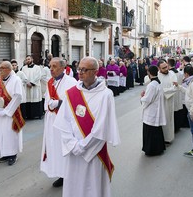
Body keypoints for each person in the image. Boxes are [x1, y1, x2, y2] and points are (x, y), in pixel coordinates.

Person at [53, 56, 120, 197]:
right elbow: (63, 123)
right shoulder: (71, 93)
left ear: (95, 71)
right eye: (79, 69)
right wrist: (72, 145)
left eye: (84, 69)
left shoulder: (105, 95)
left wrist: (82, 147)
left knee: (92, 188)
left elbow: (102, 127)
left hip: (93, 153)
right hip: (73, 152)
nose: (80, 72)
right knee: (74, 186)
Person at [40, 58, 77, 187]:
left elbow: (75, 103)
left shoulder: (71, 82)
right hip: (51, 120)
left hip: (65, 122)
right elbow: (47, 99)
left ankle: (70, 174)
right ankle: (61, 173)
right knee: (54, 147)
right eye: (50, 66)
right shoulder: (50, 82)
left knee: (65, 148)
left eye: (54, 66)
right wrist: (48, 106)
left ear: (63, 67)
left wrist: (59, 103)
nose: (51, 69)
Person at [0, 61, 25, 165]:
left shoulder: (16, 80)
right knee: (1, 133)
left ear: (8, 69)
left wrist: (7, 111)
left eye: (2, 68)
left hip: (11, 113)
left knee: (10, 133)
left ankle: (13, 154)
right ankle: (5, 153)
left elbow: (18, 97)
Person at [140, 65, 166, 156]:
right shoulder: (158, 82)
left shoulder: (152, 85)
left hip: (151, 111)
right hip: (156, 108)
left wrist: (142, 97)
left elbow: (148, 99)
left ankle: (151, 150)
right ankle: (159, 148)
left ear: (149, 73)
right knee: (156, 130)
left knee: (150, 131)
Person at [157, 59, 178, 144]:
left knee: (168, 119)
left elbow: (174, 88)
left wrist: (162, 91)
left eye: (166, 67)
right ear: (159, 69)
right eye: (163, 68)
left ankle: (168, 138)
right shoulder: (157, 76)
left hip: (168, 101)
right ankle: (160, 138)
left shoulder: (172, 74)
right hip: (159, 102)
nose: (166, 69)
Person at [21, 55, 43, 119]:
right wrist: (27, 82)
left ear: (32, 59)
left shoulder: (37, 67)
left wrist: (32, 83)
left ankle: (36, 115)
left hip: (34, 87)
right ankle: (28, 115)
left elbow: (38, 76)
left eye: (29, 59)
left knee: (35, 99)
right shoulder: (23, 68)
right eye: (27, 59)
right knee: (28, 100)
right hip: (27, 86)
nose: (28, 60)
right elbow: (23, 76)